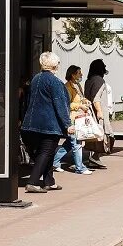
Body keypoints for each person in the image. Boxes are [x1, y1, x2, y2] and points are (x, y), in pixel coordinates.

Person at [21, 52, 75, 193]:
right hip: (49, 125)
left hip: (31, 123)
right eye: (58, 63)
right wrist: (67, 124)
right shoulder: (55, 82)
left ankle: (49, 181)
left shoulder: (35, 79)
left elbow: (27, 101)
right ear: (54, 65)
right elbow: (60, 104)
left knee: (47, 153)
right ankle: (32, 182)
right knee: (45, 152)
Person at [52, 65, 93, 175]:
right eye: (79, 73)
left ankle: (54, 162)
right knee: (77, 143)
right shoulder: (67, 87)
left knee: (70, 144)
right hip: (72, 119)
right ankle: (80, 168)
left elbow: (80, 98)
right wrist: (80, 106)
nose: (81, 75)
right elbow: (67, 104)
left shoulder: (77, 85)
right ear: (73, 74)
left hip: (78, 118)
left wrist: (85, 101)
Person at [84, 59, 112, 168]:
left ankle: (95, 158)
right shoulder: (99, 81)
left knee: (94, 135)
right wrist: (100, 111)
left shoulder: (88, 80)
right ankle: (95, 157)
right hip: (99, 112)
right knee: (104, 135)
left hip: (90, 111)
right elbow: (96, 98)